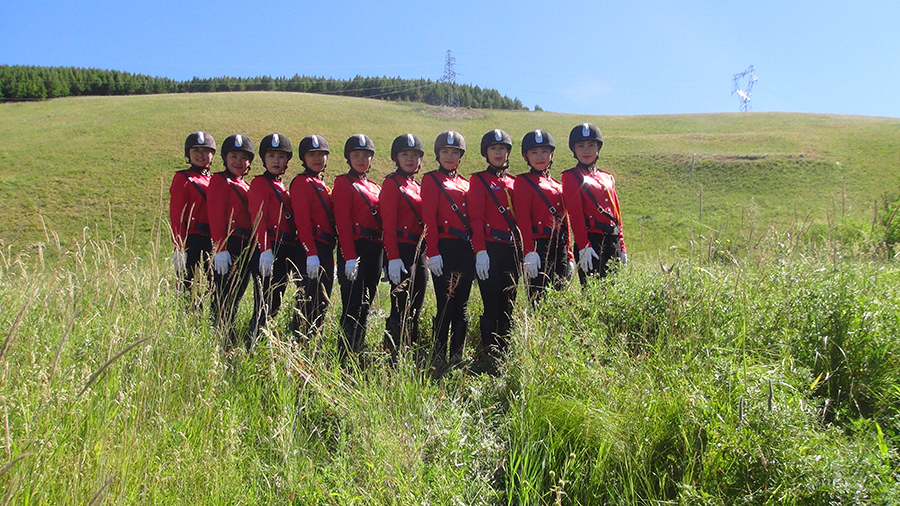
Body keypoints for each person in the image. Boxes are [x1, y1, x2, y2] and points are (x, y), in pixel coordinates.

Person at [468, 129, 520, 374]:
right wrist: (480, 250)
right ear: (486, 153)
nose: (498, 153)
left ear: (508, 153)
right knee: (491, 303)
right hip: (490, 249)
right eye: (493, 149)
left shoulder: (514, 183)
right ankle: (489, 354)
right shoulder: (478, 180)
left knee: (508, 303)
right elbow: (476, 218)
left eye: (502, 148)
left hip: (512, 250)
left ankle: (505, 353)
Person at [421, 130, 473, 372]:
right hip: (444, 247)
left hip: (466, 248)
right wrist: (433, 250)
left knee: (462, 303)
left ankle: (457, 354)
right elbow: (428, 217)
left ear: (460, 155)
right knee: (445, 302)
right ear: (438, 154)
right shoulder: (430, 179)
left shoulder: (465, 183)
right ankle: (438, 353)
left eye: (454, 152)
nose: (450, 156)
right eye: (445, 152)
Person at [333, 134, 382, 363]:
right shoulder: (343, 182)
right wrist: (349, 256)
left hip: (375, 249)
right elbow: (342, 221)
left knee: (366, 304)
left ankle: (357, 349)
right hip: (355, 247)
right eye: (356, 155)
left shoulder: (374, 186)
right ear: (348, 158)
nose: (361, 160)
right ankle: (344, 354)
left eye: (366, 155)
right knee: (352, 304)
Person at [381, 133, 428, 364]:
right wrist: (392, 256)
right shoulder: (392, 183)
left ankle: (410, 351)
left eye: (414, 155)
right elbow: (387, 223)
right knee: (400, 305)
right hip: (401, 250)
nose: (410, 159)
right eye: (405, 154)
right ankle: (392, 354)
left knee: (416, 302)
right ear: (396, 158)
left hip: (419, 252)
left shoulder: (417, 186)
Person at [208, 134, 258, 350]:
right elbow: (216, 214)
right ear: (224, 158)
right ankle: (218, 339)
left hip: (246, 245)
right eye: (233, 156)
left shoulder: (244, 184)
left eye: (243, 157)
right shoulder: (219, 180)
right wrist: (220, 247)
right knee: (223, 296)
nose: (238, 161)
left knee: (236, 295)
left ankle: (228, 336)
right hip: (229, 245)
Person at [561, 123, 627, 283]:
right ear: (574, 150)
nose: (586, 150)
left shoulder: (607, 177)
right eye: (581, 145)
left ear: (598, 147)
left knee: (615, 295)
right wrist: (584, 245)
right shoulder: (571, 176)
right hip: (592, 242)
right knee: (594, 295)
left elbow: (616, 213)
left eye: (591, 145)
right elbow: (575, 214)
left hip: (612, 240)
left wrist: (622, 246)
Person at [514, 129, 574, 305]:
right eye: (534, 152)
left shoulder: (557, 185)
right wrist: (529, 251)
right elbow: (523, 220)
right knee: (538, 300)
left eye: (544, 152)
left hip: (559, 246)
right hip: (538, 247)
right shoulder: (523, 182)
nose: (540, 157)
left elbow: (565, 222)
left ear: (551, 154)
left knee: (560, 299)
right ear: (526, 157)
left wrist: (569, 254)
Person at [248, 133, 296, 346]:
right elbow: (258, 217)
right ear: (263, 159)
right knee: (264, 304)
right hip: (269, 249)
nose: (276, 161)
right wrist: (264, 249)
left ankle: (262, 342)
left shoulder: (281, 186)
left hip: (283, 249)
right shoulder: (259, 183)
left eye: (281, 156)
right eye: (271, 155)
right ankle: (253, 344)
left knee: (274, 302)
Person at [289, 134, 335, 341]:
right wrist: (310, 253)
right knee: (309, 301)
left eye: (321, 154)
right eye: (312, 154)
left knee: (323, 301)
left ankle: (313, 341)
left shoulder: (320, 183)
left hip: (324, 248)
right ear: (303, 158)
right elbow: (302, 221)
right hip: (310, 249)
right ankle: (300, 343)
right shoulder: (301, 182)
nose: (317, 159)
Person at [170, 131, 215, 297]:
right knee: (189, 287)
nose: (200, 155)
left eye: (205, 151)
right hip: (192, 239)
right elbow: (177, 214)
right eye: (196, 151)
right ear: (188, 154)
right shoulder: (183, 178)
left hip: (212, 239)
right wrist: (179, 247)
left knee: (213, 286)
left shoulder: (215, 180)